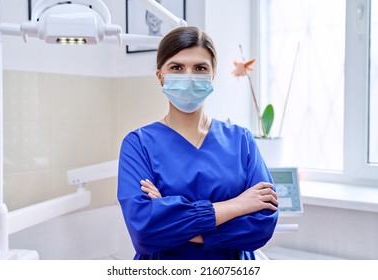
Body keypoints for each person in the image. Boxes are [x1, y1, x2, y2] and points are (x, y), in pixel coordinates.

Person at [117, 26, 278, 260]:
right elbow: (144, 232)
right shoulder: (138, 144)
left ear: (212, 75)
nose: (188, 76)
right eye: (176, 67)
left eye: (200, 68)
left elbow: (262, 226)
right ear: (160, 76)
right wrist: (237, 205)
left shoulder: (241, 140)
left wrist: (171, 217)